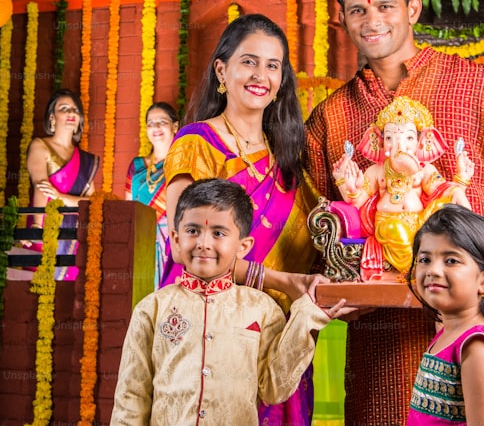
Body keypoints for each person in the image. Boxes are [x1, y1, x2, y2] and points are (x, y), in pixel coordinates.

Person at [304, 0, 484, 424]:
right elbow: (324, 229)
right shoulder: (331, 118)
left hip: (471, 338)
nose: (371, 20)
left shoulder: (483, 87)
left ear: (413, 9)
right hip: (378, 339)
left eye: (385, 6)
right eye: (358, 9)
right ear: (342, 19)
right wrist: (340, 289)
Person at [160, 13, 323, 424]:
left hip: (272, 338)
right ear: (222, 69)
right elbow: (185, 250)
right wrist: (280, 281)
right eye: (249, 61)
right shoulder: (196, 143)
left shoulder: (288, 165)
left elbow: (313, 244)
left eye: (273, 65)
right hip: (208, 328)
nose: (261, 75)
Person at [110, 179, 353, 425]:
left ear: (243, 246)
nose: (204, 243)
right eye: (193, 231)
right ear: (175, 238)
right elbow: (131, 396)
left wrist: (304, 319)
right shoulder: (151, 309)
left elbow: (274, 389)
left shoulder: (262, 309)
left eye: (218, 233)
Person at [407, 205, 484, 426]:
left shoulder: (477, 348)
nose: (433, 270)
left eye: (451, 261)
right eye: (425, 259)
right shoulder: (448, 330)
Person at [331, 95, 474, 278]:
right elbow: (356, 203)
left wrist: (461, 180)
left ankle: (471, 243)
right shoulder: (377, 171)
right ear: (380, 142)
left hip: (420, 221)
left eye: (408, 138)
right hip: (389, 224)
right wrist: (347, 185)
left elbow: (442, 191)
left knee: (449, 203)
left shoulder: (424, 169)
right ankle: (414, 269)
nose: (399, 145)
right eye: (390, 137)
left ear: (421, 142)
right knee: (395, 230)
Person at [24, 89, 99, 280]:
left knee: (72, 294)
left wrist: (62, 198)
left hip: (74, 236)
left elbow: (92, 202)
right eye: (64, 109)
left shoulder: (86, 161)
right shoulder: (40, 146)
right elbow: (41, 186)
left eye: (75, 110)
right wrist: (36, 226)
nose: (71, 113)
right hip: (45, 227)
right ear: (52, 117)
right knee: (41, 295)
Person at [125, 102, 180, 286]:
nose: (155, 127)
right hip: (140, 240)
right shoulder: (137, 166)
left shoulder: (183, 164)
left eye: (161, 122)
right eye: (150, 123)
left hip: (172, 241)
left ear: (175, 126)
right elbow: (128, 210)